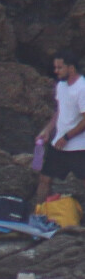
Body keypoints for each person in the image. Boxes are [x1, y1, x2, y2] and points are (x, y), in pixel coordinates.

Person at [36, 50, 85, 204]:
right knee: (44, 179)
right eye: (55, 67)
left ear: (71, 68)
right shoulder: (61, 86)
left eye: (59, 68)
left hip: (79, 147)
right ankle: (38, 214)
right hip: (58, 145)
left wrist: (67, 137)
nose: (55, 71)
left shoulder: (82, 88)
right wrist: (47, 130)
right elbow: (59, 111)